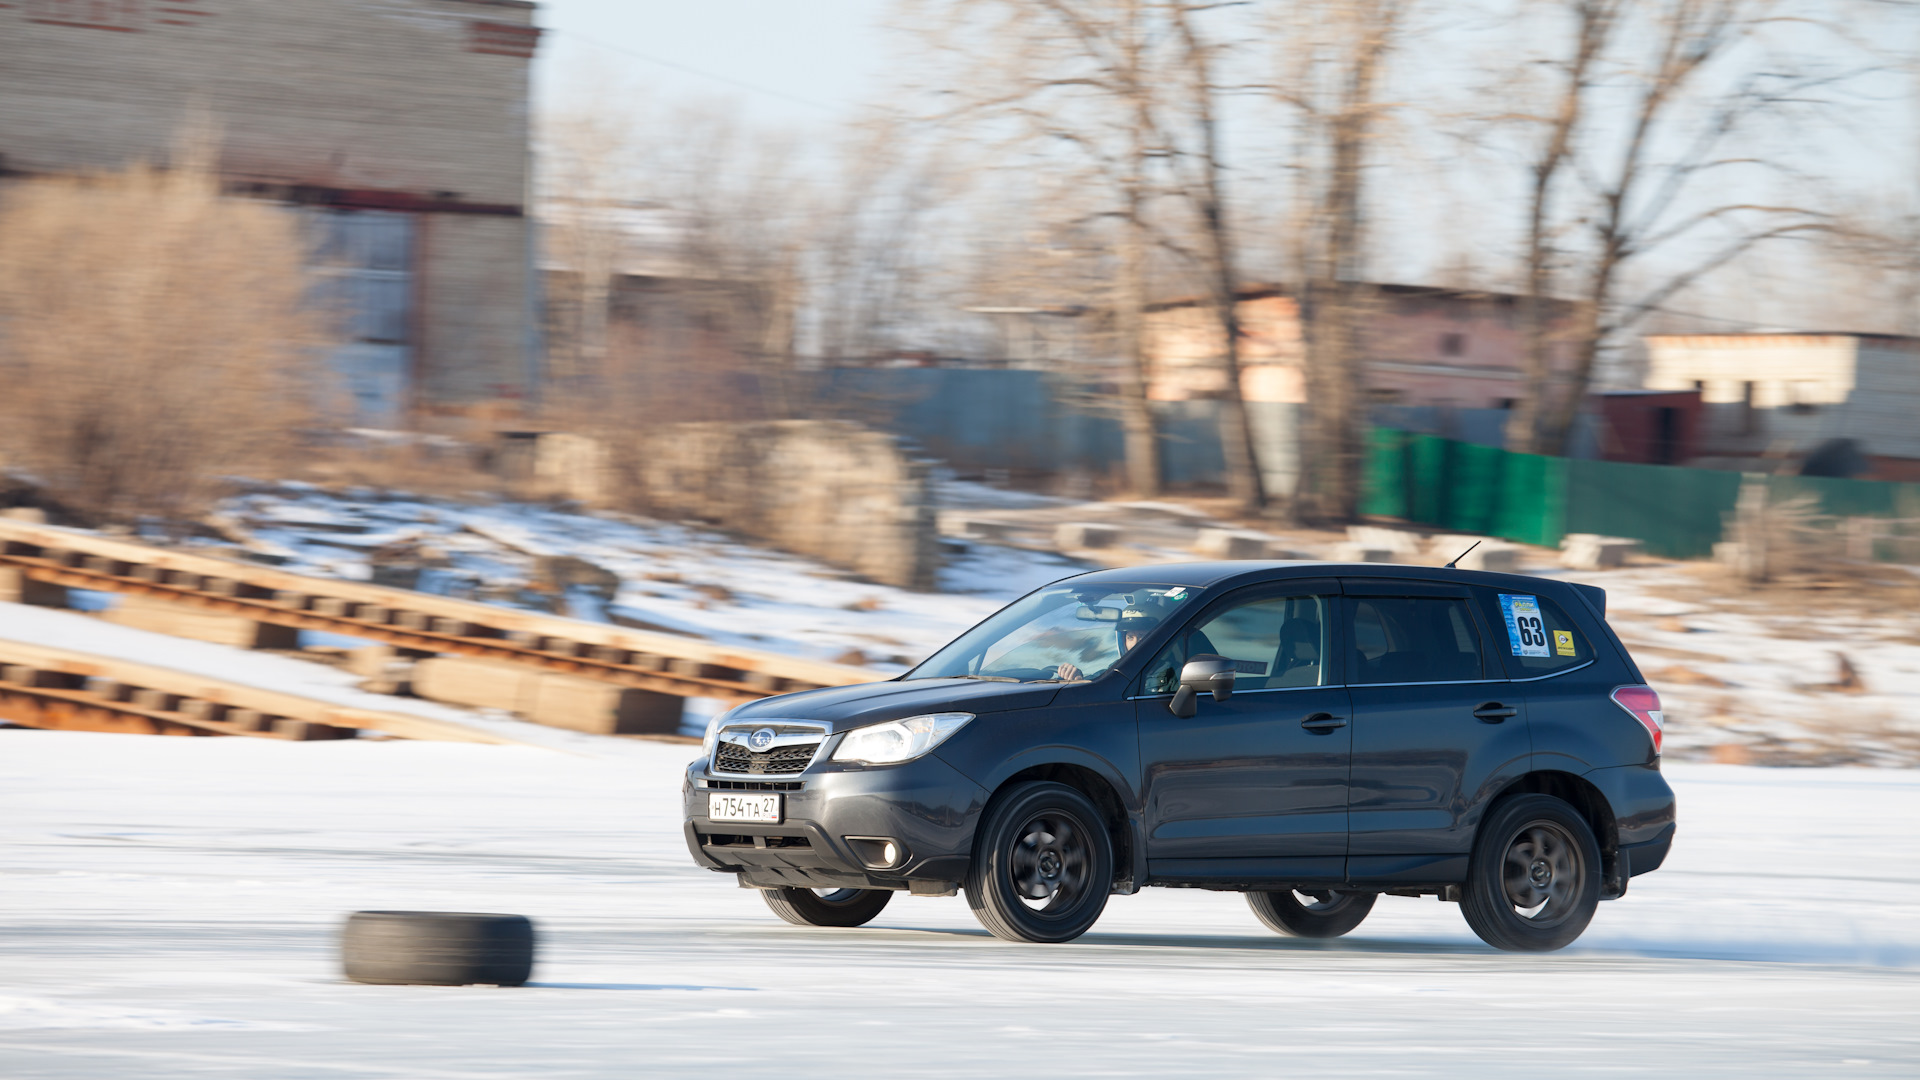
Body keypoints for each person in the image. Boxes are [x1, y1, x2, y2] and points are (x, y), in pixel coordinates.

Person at [1054, 608, 1158, 681]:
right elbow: (1100, 683)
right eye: (1130, 637)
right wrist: (1078, 679)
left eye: (1142, 636)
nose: (1135, 644)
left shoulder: (1169, 673)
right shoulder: (1119, 668)